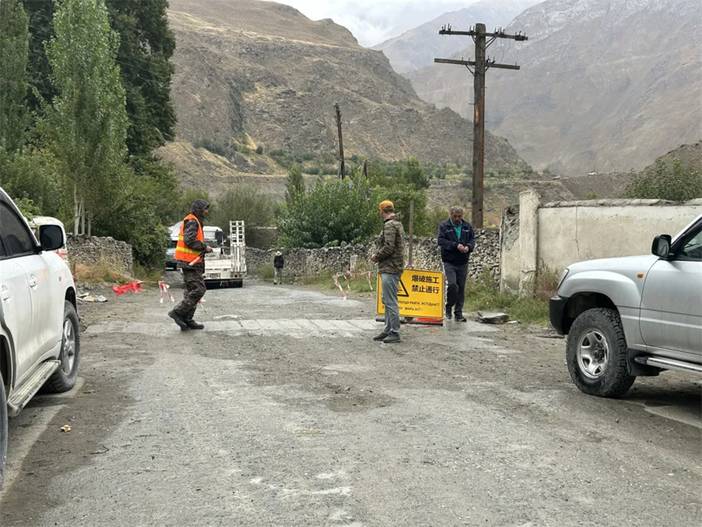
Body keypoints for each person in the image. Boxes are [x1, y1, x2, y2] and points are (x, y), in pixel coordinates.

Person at [168, 199, 213, 330]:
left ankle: (187, 319)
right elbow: (190, 240)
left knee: (191, 291)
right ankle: (177, 312)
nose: (207, 211)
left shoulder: (194, 220)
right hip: (190, 262)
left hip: (192, 262)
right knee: (199, 290)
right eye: (205, 209)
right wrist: (205, 247)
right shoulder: (192, 221)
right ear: (199, 209)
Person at [371, 200, 405, 343]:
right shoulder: (397, 223)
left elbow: (389, 247)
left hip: (390, 267)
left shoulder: (389, 225)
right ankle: (387, 329)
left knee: (390, 301)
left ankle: (394, 332)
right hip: (394, 267)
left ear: (381, 211)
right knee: (387, 299)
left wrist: (376, 256)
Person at [437, 206, 475, 322]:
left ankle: (458, 313)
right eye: (455, 216)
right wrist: (455, 245)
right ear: (450, 215)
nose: (457, 218)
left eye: (459, 216)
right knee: (453, 285)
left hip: (463, 261)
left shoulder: (467, 226)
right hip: (449, 261)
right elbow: (441, 241)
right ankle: (448, 306)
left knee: (461, 287)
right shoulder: (444, 226)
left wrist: (468, 247)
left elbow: (472, 240)